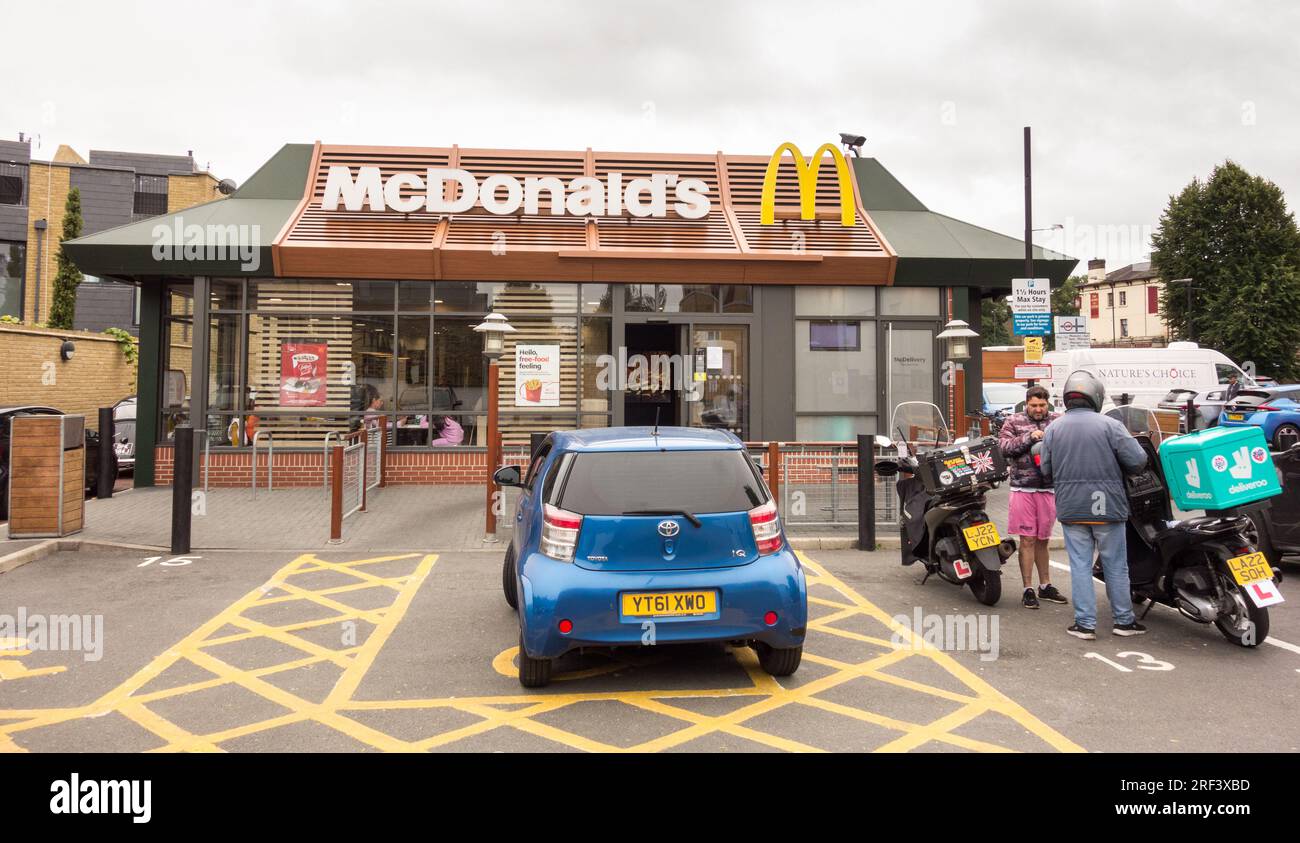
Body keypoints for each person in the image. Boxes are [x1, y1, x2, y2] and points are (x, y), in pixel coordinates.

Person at [1039, 370, 1149, 640]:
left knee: (1079, 565)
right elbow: (1137, 461)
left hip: (1071, 506)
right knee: (1116, 565)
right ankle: (1124, 621)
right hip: (1108, 507)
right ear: (1096, 396)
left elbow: (1046, 469)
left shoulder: (1053, 428)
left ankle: (1085, 624)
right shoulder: (1110, 425)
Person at [997, 385, 1065, 609]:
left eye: (1042, 405)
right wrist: (1028, 437)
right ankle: (1027, 589)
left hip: (1049, 488)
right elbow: (1004, 447)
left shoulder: (1058, 420)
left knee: (1043, 540)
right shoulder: (1014, 421)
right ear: (1026, 403)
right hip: (1022, 488)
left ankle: (1045, 586)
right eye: (1034, 405)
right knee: (1027, 540)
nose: (1038, 409)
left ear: (1048, 404)